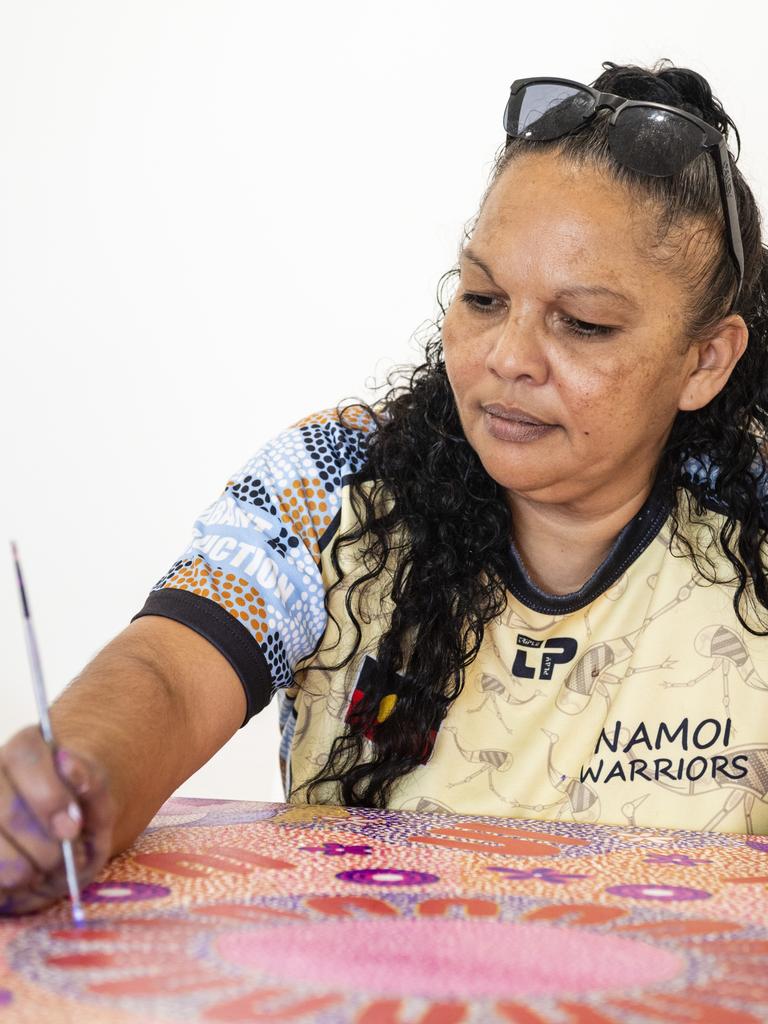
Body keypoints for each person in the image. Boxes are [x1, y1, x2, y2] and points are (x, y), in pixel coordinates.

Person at [2, 57, 767, 918]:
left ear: (706, 360)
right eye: (482, 298)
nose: (505, 359)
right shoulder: (335, 481)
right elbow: (172, 674)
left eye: (582, 323)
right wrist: (74, 782)